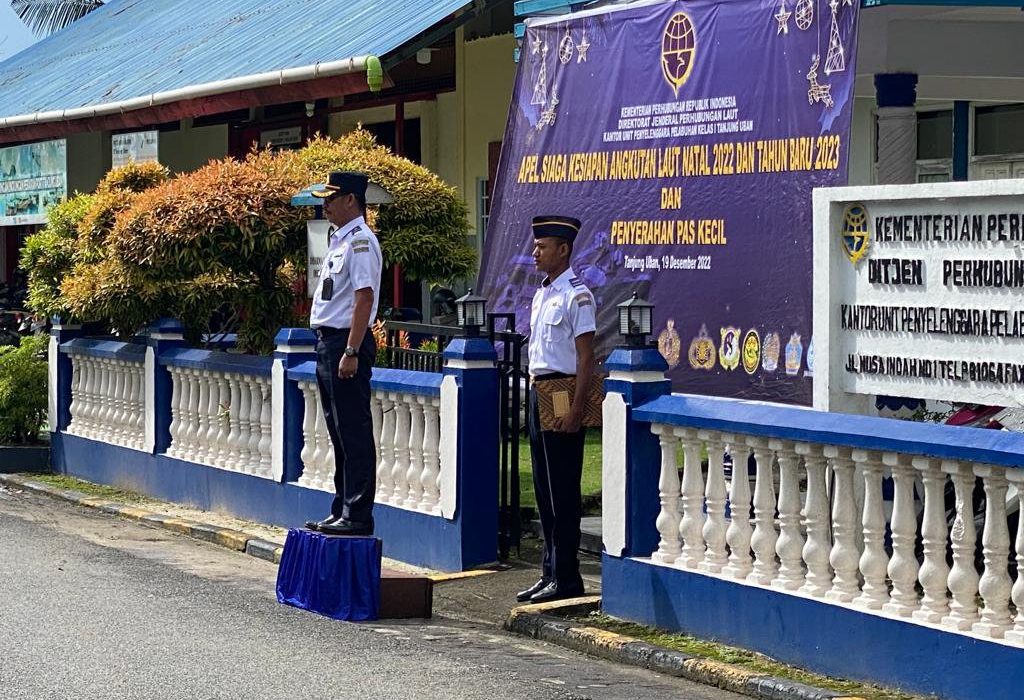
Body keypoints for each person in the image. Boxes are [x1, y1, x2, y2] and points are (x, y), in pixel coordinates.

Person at [517, 215, 596, 604]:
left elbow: (586, 359)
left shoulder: (576, 295)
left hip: (564, 390)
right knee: (545, 492)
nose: (535, 252)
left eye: (542, 246)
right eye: (535, 246)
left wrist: (577, 407)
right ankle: (548, 571)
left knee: (563, 490)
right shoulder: (542, 293)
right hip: (539, 391)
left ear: (563, 250)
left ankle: (567, 576)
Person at [304, 171, 383, 537]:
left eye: (332, 198)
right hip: (329, 342)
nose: (326, 204)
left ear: (351, 200)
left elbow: (364, 298)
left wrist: (351, 349)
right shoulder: (340, 241)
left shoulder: (361, 242)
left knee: (353, 430)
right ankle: (342, 508)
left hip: (345, 343)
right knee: (338, 430)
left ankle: (358, 513)